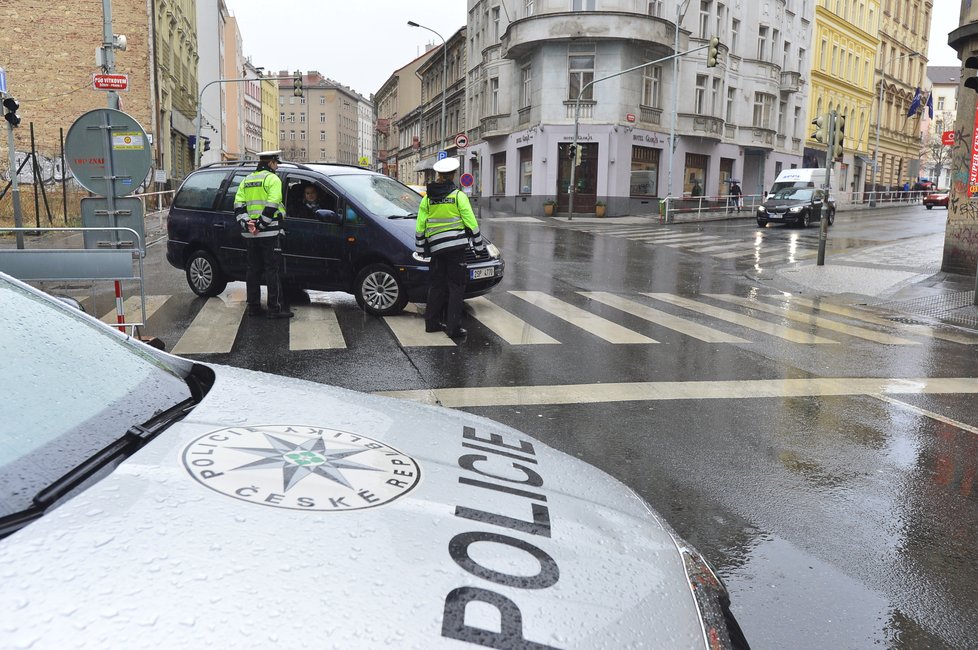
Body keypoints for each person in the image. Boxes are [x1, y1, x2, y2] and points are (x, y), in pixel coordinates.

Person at [415, 157, 484, 340]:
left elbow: (420, 225)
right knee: (456, 287)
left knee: (436, 286)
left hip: (437, 250)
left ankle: (432, 324)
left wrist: (421, 248)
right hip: (456, 250)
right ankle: (453, 328)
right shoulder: (458, 196)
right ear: (453, 175)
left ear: (438, 175)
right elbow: (470, 222)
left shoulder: (428, 199)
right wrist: (478, 246)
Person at [233, 150, 293, 319]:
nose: (277, 166)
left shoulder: (246, 180)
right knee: (271, 271)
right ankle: (275, 308)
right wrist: (261, 224)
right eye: (276, 163)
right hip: (269, 232)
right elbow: (273, 203)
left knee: (252, 271)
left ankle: (253, 307)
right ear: (271, 163)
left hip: (250, 235)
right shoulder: (272, 179)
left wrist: (247, 223)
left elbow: (238, 205)